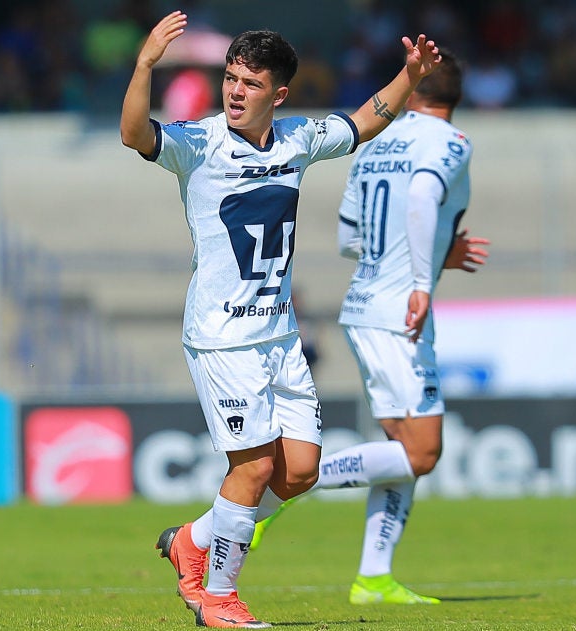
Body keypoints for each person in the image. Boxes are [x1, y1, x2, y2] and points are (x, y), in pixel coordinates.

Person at [121, 11, 441, 628]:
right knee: (255, 467)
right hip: (223, 337)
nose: (235, 92)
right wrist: (144, 65)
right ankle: (217, 598)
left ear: (279, 93)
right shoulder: (200, 144)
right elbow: (136, 134)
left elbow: (366, 120)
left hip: (280, 335)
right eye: (230, 78)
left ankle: (192, 540)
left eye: (250, 83)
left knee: (300, 471)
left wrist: (408, 76)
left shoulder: (297, 139)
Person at [250, 50, 490, 606]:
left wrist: (426, 257)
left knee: (399, 448)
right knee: (422, 454)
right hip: (397, 312)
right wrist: (424, 279)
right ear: (455, 97)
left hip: (365, 302)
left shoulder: (378, 143)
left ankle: (373, 577)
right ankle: (277, 493)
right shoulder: (447, 142)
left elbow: (349, 239)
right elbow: (424, 196)